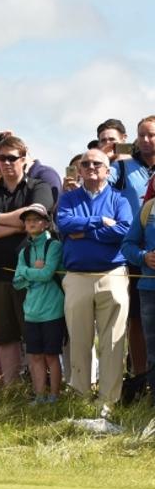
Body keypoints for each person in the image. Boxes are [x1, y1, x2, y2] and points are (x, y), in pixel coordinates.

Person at [0, 135, 55, 385]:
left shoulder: (38, 187)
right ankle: (12, 391)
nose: (6, 163)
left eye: (12, 158)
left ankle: (38, 389)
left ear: (23, 158)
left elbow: (38, 216)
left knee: (33, 334)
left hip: (32, 275)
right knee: (5, 335)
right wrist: (19, 224)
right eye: (1, 158)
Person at [55, 148, 131, 415]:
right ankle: (80, 397)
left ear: (107, 171)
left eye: (97, 163)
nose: (90, 167)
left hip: (112, 275)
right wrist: (98, 221)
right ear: (78, 170)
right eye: (85, 163)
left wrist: (84, 232)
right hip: (77, 277)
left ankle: (108, 401)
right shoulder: (68, 199)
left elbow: (123, 230)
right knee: (79, 339)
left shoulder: (119, 199)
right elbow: (64, 223)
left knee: (112, 341)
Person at [12, 204, 65, 404]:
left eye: (37, 219)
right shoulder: (24, 252)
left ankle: (54, 396)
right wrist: (31, 272)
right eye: (28, 220)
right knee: (34, 356)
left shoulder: (54, 246)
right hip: (31, 311)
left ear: (46, 223)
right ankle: (40, 395)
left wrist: (26, 272)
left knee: (52, 355)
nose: (32, 223)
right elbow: (17, 282)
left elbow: (47, 274)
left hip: (52, 310)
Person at [121, 178, 155, 400]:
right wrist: (144, 257)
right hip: (149, 289)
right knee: (153, 350)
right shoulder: (148, 209)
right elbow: (127, 245)